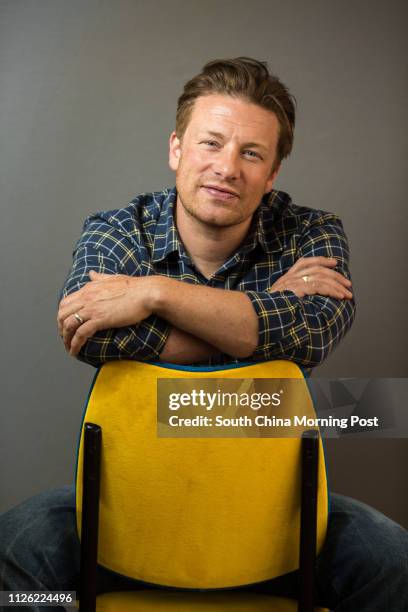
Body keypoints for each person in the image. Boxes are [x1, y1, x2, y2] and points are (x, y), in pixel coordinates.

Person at [0, 57, 407, 611]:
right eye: (211, 143)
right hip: (131, 489)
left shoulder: (312, 232)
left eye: (251, 154)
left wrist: (153, 294)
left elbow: (311, 334)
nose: (227, 168)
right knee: (15, 561)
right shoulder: (116, 230)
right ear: (176, 149)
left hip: (274, 496)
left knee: (395, 564)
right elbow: (90, 335)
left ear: (272, 174)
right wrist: (260, 322)